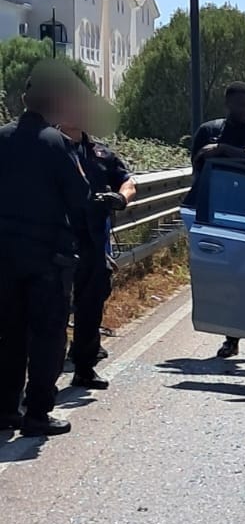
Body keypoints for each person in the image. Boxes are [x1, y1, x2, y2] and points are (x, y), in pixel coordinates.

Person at [0, 61, 92, 437]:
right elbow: (80, 198)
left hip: (3, 259)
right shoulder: (57, 144)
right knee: (48, 336)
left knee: (7, 334)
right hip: (45, 262)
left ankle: (6, 409)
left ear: (22, 100)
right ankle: (37, 412)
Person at [191, 81, 245, 361]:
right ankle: (232, 339)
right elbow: (197, 164)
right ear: (229, 104)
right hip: (222, 215)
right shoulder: (208, 130)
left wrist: (223, 150)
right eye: (242, 104)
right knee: (231, 280)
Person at [58, 111, 136, 391]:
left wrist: (120, 197)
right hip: (58, 241)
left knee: (91, 307)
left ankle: (84, 367)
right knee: (55, 309)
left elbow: (127, 181)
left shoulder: (101, 154)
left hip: (93, 243)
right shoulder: (49, 149)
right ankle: (43, 380)